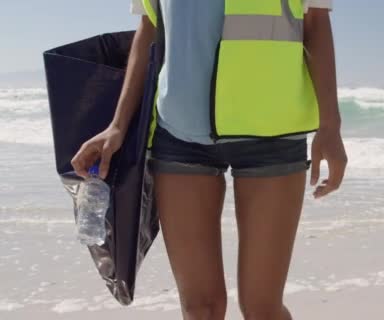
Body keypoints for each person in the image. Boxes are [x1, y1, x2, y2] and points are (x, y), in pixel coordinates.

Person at [70, 0, 347, 319]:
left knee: (262, 309)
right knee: (200, 308)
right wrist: (117, 125)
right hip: (180, 133)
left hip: (274, 133)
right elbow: (149, 28)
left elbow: (315, 24)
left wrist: (330, 126)